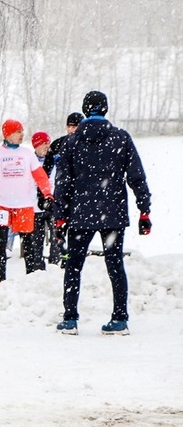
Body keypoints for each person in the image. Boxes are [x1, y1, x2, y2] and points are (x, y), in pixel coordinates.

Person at [52, 90, 152, 336]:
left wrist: (60, 217)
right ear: (105, 109)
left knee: (74, 266)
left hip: (80, 213)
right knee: (115, 264)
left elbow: (63, 183)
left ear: (85, 110)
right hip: (113, 212)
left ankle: (70, 319)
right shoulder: (120, 138)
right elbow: (136, 175)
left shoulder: (72, 142)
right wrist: (144, 209)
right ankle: (119, 319)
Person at [0, 119, 53, 282]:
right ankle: (1, 277)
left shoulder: (27, 154)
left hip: (24, 205)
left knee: (28, 244)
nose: (22, 135)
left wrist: (48, 195)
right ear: (8, 134)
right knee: (0, 244)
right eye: (18, 132)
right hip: (2, 205)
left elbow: (41, 177)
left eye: (22, 131)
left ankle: (30, 276)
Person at [30, 131, 53, 270]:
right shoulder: (29, 161)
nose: (47, 146)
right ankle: (38, 267)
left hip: (52, 204)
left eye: (48, 143)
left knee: (57, 237)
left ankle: (58, 263)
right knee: (36, 240)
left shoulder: (55, 160)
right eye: (44, 143)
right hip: (34, 206)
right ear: (36, 145)